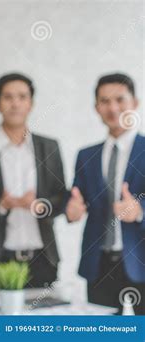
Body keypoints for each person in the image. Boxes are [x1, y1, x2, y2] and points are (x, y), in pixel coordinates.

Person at [0, 73, 67, 288]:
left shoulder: (49, 147)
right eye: (8, 97)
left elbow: (61, 199)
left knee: (42, 321)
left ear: (31, 103)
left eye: (22, 97)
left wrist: (39, 205)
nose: (15, 103)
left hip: (42, 258)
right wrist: (1, 205)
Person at [66, 73, 145, 314]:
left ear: (135, 103)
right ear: (96, 108)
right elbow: (77, 199)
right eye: (105, 101)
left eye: (120, 99)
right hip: (99, 263)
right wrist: (72, 211)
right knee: (101, 332)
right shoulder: (86, 155)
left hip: (140, 260)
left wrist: (140, 211)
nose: (113, 108)